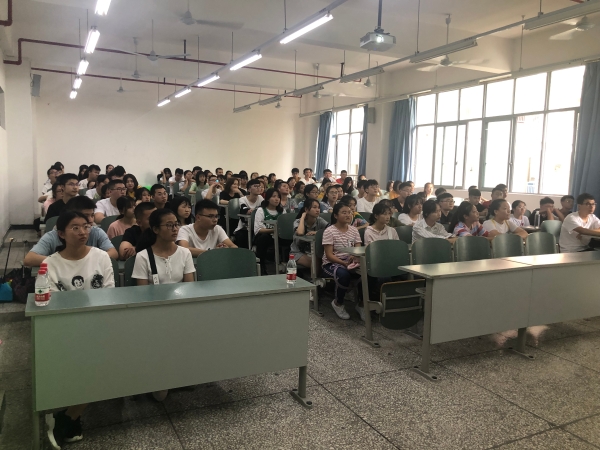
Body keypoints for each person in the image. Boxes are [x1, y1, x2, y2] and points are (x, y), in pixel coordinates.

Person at [44, 210, 114, 449]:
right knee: (93, 367)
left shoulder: (101, 257)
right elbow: (52, 304)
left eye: (86, 226)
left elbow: (109, 293)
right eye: (75, 228)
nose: (83, 232)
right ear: (61, 234)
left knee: (105, 365)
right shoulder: (50, 263)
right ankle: (71, 416)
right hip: (66, 328)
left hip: (99, 325)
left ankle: (68, 416)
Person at [25, 196, 118, 266]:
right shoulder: (53, 235)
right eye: (86, 215)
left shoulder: (96, 231)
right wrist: (67, 261)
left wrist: (86, 260)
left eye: (92, 215)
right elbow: (29, 259)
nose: (90, 220)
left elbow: (113, 253)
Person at [321, 202, 363, 320]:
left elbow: (358, 248)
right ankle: (338, 303)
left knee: (367, 273)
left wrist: (354, 256)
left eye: (349, 212)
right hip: (332, 264)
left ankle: (361, 304)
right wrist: (343, 263)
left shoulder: (354, 230)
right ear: (335, 215)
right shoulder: (329, 231)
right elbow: (329, 255)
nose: (348, 215)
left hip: (351, 261)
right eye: (344, 212)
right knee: (343, 275)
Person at [254, 188, 287, 275]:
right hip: (266, 235)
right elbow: (258, 229)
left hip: (278, 236)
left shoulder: (282, 211)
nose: (277, 199)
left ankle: (287, 264)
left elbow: (285, 227)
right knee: (263, 238)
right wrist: (273, 230)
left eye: (278, 197)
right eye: (274, 196)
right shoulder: (261, 210)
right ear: (268, 198)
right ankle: (261, 265)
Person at [291, 198, 329, 269]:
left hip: (314, 252)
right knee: (316, 263)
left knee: (325, 261)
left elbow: (331, 230)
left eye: (318, 207)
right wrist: (302, 217)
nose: (317, 210)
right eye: (314, 207)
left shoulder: (319, 220)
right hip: (298, 253)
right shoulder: (298, 222)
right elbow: (300, 232)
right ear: (306, 209)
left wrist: (317, 232)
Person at [233, 179, 264, 248]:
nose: (258, 188)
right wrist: (255, 210)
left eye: (259, 186)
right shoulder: (243, 199)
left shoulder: (260, 198)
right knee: (241, 237)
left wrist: (253, 210)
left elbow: (264, 208)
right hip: (244, 227)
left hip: (257, 226)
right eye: (255, 186)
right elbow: (245, 210)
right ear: (249, 189)